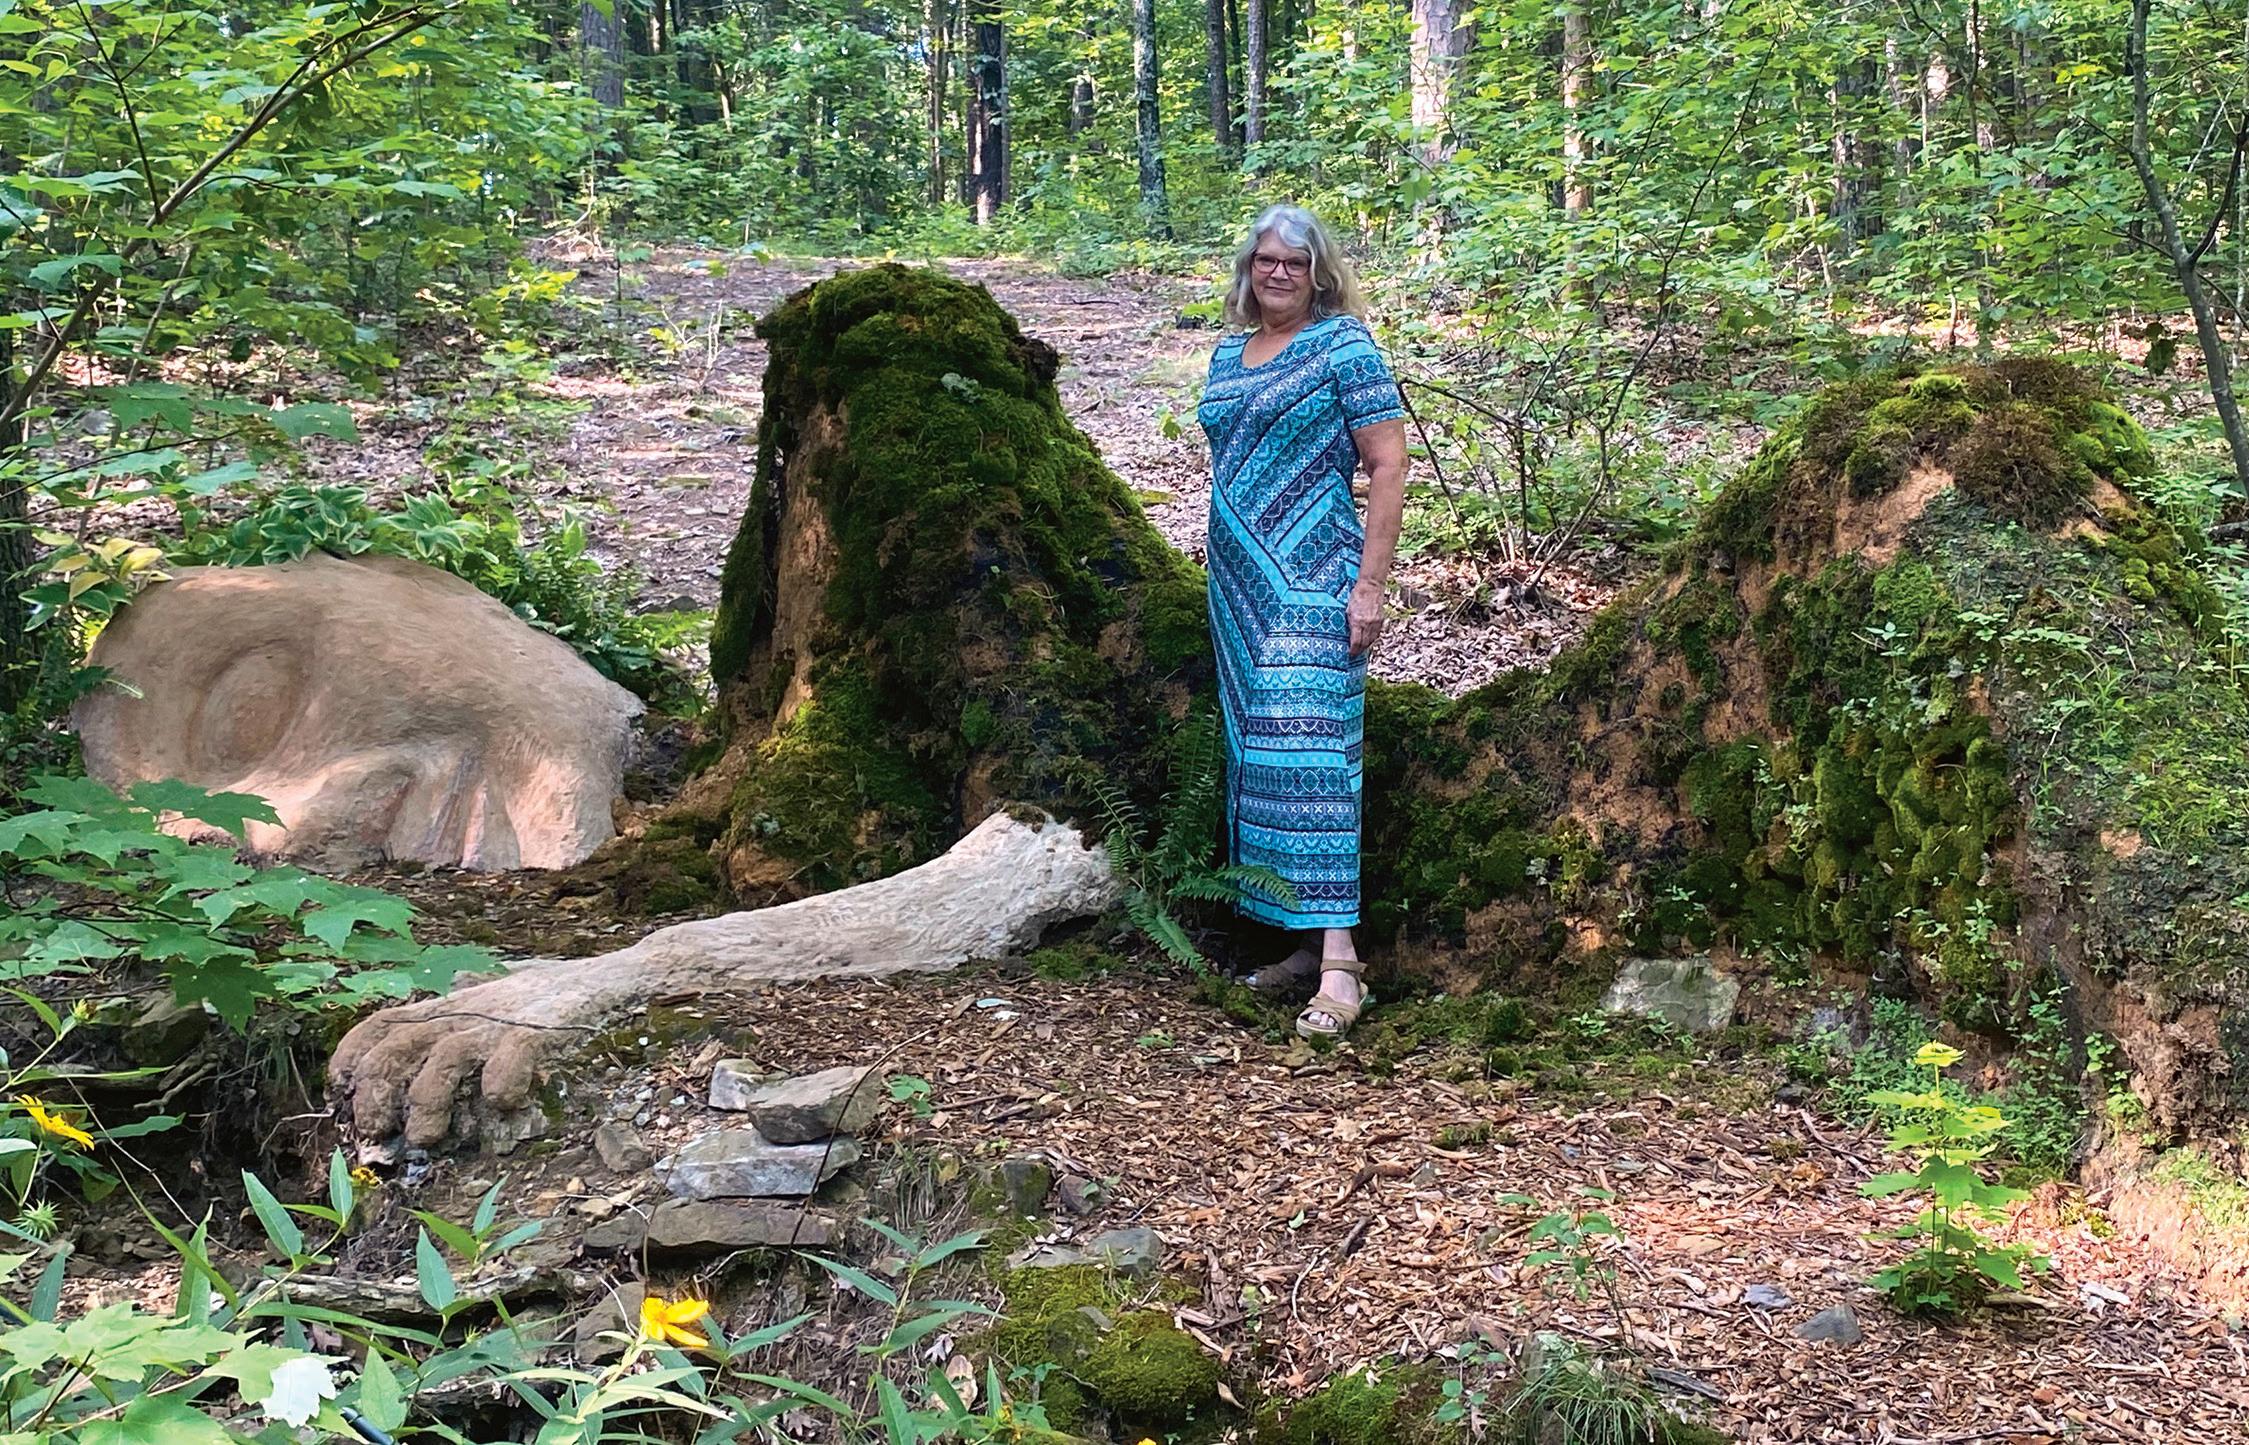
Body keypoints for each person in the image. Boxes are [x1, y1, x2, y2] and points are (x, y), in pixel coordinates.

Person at [1196, 203, 1408, 1042]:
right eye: (1265, 260)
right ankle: (1299, 939)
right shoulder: (1226, 353)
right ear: (1247, 270)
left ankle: (1341, 962)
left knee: (1312, 754)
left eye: (1294, 262)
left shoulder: (1342, 346)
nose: (1277, 273)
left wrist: (1370, 586)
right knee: (1258, 758)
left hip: (1316, 576)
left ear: (1318, 274)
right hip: (1237, 588)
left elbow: (1387, 463)